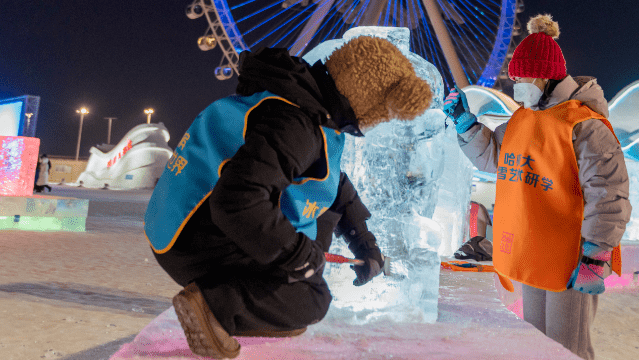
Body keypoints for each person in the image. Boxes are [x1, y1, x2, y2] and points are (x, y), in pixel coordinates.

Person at [144, 37, 432, 359]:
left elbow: (332, 182)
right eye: (382, 114)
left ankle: (259, 298)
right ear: (366, 101)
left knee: (306, 262)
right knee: (312, 299)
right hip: (194, 240)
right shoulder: (294, 123)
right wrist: (299, 257)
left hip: (176, 221)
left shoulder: (300, 105)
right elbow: (236, 201)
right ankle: (216, 305)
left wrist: (362, 242)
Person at [443, 14, 631, 360]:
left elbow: (609, 192)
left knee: (567, 348)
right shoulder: (523, 120)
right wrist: (465, 123)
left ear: (545, 76)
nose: (516, 85)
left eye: (522, 77)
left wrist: (596, 254)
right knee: (537, 346)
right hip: (534, 255)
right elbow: (498, 160)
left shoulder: (586, 127)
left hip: (571, 258)